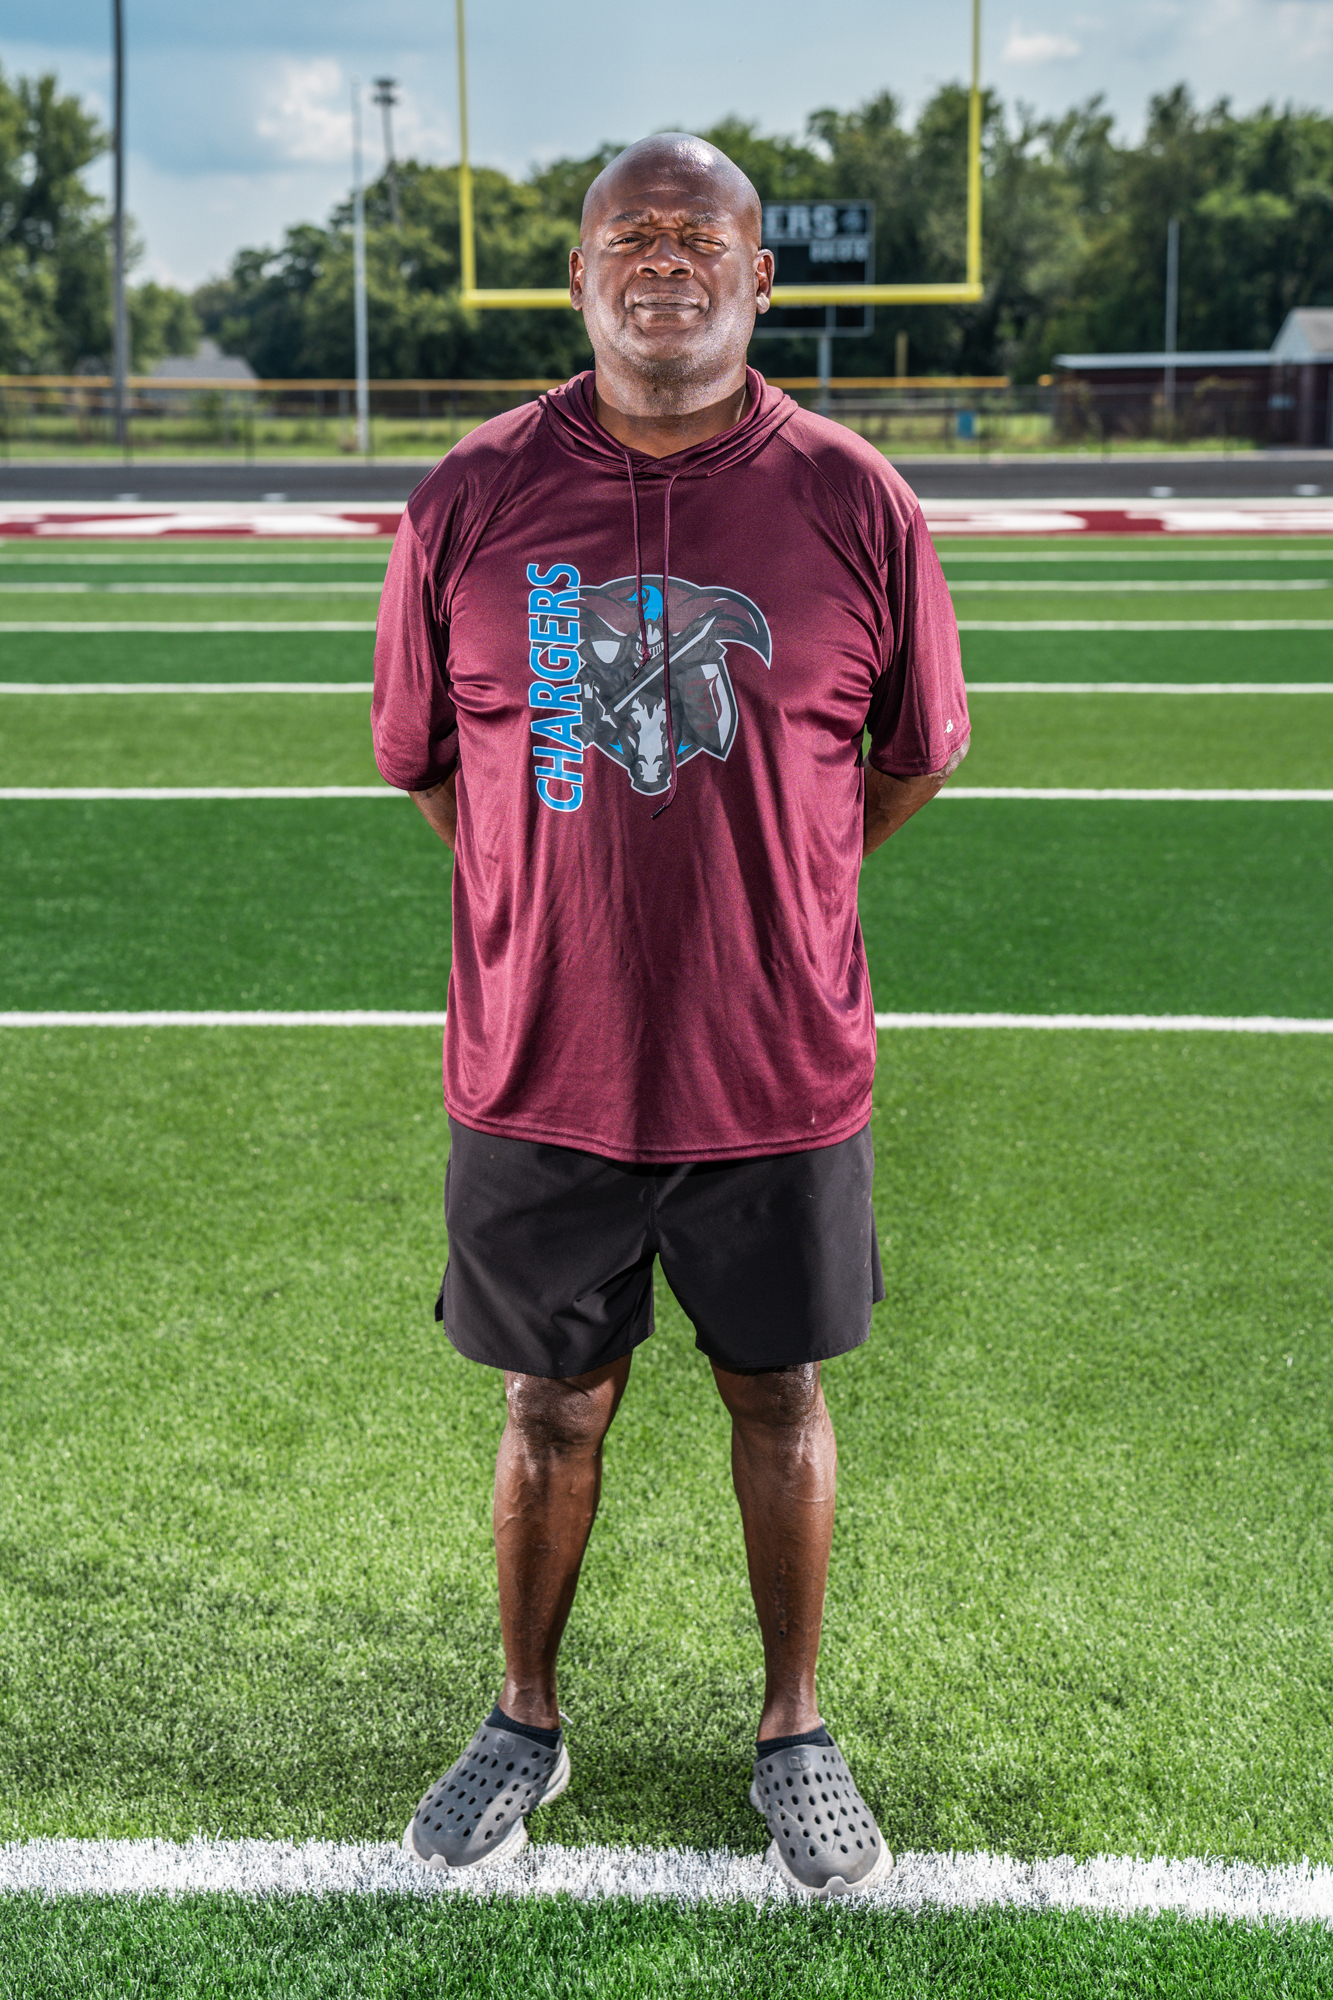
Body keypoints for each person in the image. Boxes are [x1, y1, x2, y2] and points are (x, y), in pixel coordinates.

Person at [372, 132, 968, 1899]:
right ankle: (524, 1717)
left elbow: (911, 756)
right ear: (575, 276)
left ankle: (792, 1726)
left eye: (699, 236)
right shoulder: (471, 495)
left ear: (756, 276)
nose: (663, 261)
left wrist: (779, 891)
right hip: (539, 1057)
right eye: (627, 235)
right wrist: (541, 895)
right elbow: (424, 761)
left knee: (776, 1391)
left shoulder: (852, 497)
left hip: (772, 1060)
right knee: (548, 1408)